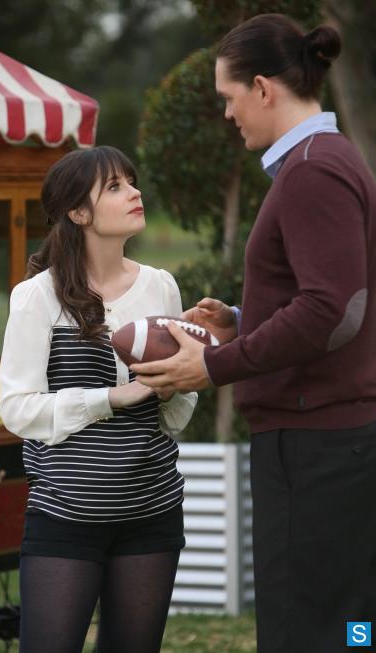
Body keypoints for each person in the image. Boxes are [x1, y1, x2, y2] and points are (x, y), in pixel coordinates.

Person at [131, 13, 376, 653]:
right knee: (349, 627)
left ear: (262, 88)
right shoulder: (324, 159)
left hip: (316, 448)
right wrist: (241, 322)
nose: (227, 114)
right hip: (328, 444)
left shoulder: (313, 169)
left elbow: (335, 310)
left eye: (229, 97)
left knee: (315, 633)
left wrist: (215, 365)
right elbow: (335, 301)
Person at [0, 145, 197, 653]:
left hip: (151, 511)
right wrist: (111, 398)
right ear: (78, 213)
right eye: (114, 186)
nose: (134, 192)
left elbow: (174, 417)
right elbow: (16, 408)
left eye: (131, 181)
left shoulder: (161, 286)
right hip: (64, 515)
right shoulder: (37, 296)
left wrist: (175, 384)